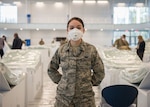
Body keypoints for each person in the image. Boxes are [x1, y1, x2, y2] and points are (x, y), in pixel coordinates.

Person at [47, 17, 105, 107]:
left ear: (83, 30)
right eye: (71, 27)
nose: (75, 30)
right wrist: (62, 81)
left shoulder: (91, 50)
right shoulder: (61, 50)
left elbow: (100, 71)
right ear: (67, 30)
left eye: (78, 27)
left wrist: (89, 83)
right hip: (63, 99)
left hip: (85, 99)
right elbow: (51, 69)